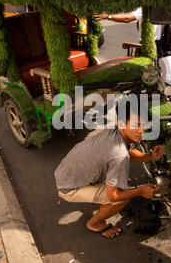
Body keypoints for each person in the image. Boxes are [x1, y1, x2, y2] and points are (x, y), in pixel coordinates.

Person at [55, 99, 164, 239]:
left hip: (65, 171)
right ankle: (94, 223)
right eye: (136, 125)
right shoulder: (119, 155)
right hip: (68, 187)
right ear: (122, 124)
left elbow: (128, 151)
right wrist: (141, 190)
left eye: (144, 125)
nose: (142, 130)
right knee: (121, 198)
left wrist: (150, 157)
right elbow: (114, 196)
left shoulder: (115, 130)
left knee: (119, 187)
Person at [94, 8, 171, 87]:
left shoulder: (145, 9)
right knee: (168, 61)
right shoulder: (163, 7)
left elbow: (127, 18)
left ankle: (150, 86)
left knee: (145, 67)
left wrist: (108, 16)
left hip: (147, 44)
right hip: (162, 40)